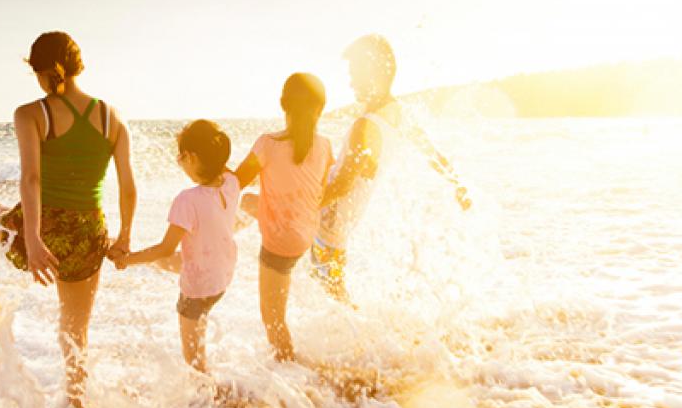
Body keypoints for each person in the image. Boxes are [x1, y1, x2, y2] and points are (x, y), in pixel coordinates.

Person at [0, 31, 136, 408]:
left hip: (46, 225)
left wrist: (32, 238)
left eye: (36, 72)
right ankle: (78, 404)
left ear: (48, 70)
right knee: (75, 327)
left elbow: (31, 178)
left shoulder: (32, 113)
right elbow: (129, 186)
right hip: (89, 231)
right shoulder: (112, 117)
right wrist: (125, 236)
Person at [312, 34, 471, 304]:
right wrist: (456, 184)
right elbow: (432, 155)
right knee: (334, 291)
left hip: (330, 223)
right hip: (344, 223)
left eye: (355, 73)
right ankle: (361, 338)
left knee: (332, 292)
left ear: (373, 72)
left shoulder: (366, 125)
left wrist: (306, 205)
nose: (351, 82)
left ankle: (362, 341)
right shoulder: (400, 116)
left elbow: (344, 183)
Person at [114, 120, 239, 374]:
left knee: (193, 361)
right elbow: (221, 166)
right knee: (168, 264)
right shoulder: (230, 183)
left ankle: (210, 404)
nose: (179, 162)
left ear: (192, 157)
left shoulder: (187, 200)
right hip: (221, 278)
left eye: (180, 156)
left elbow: (165, 248)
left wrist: (127, 260)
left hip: (197, 290)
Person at [234, 73, 333, 362]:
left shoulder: (267, 143)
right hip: (305, 233)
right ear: (320, 109)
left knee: (272, 318)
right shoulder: (324, 145)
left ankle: (289, 366)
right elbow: (318, 185)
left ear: (282, 104)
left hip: (279, 242)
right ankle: (229, 233)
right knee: (250, 202)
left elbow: (236, 181)